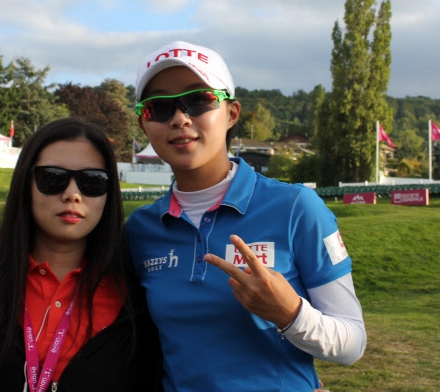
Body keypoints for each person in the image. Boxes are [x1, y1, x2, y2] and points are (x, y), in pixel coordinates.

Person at [126, 40, 366, 391]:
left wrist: (290, 314)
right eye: (158, 108)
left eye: (198, 100)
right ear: (144, 124)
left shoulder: (297, 207)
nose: (179, 118)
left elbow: (352, 343)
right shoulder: (140, 229)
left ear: (232, 113)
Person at [0, 118, 162, 392]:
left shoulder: (136, 301)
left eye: (92, 181)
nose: (73, 194)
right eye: (53, 178)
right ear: (26, 185)